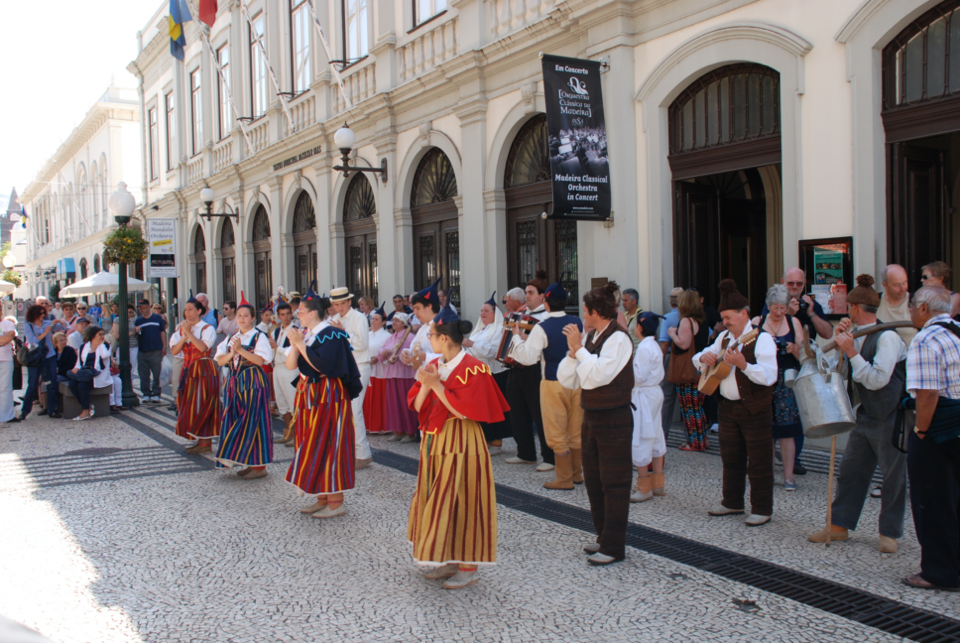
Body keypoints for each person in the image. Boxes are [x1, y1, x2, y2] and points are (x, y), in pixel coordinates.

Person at [407, 305, 509, 589]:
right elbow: (416, 405)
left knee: (465, 497)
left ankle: (469, 567)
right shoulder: (434, 365)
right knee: (440, 499)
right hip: (435, 440)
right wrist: (427, 383)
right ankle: (448, 558)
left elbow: (467, 412)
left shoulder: (474, 368)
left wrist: (436, 386)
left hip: (462, 441)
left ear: (444, 338)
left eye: (431, 334)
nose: (428, 339)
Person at [807, 275, 907, 553]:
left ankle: (889, 532)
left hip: (891, 415)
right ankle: (838, 525)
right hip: (863, 415)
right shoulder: (853, 335)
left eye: (848, 306)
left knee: (893, 477)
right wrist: (842, 347)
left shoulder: (888, 337)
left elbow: (877, 379)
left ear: (854, 306)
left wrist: (851, 352)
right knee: (851, 471)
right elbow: (832, 368)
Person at [558, 281, 635, 565]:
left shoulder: (619, 339)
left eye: (585, 311)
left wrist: (579, 350)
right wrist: (573, 352)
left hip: (614, 417)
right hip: (591, 416)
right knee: (594, 480)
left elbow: (599, 375)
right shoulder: (592, 338)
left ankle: (614, 546)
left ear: (595, 313)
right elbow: (569, 379)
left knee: (615, 483)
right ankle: (603, 536)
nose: (582, 316)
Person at [694, 280, 778, 527]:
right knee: (731, 458)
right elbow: (696, 359)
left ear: (744, 314)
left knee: (759, 460)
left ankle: (762, 508)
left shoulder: (761, 339)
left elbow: (770, 376)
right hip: (727, 407)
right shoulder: (722, 338)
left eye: (729, 317)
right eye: (723, 317)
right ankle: (732, 502)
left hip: (754, 408)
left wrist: (744, 365)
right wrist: (704, 358)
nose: (725, 322)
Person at [901, 286, 960, 591]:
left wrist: (921, 432)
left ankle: (940, 571)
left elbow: (927, 394)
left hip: (940, 429)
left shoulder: (925, 339)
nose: (910, 311)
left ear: (923, 308)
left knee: (933, 500)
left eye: (912, 305)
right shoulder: (957, 331)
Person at [284, 289, 362, 519]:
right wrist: (295, 343)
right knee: (311, 442)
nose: (297, 315)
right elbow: (291, 366)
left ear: (313, 313)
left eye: (300, 311)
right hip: (309, 394)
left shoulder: (332, 335)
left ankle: (337, 502)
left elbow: (323, 366)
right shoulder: (305, 335)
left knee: (330, 443)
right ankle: (322, 496)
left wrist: (300, 345)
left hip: (329, 395)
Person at [510, 280, 585, 490]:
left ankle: (563, 478)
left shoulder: (542, 327)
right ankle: (577, 473)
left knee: (556, 431)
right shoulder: (577, 322)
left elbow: (528, 358)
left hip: (553, 383)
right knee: (575, 429)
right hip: (577, 382)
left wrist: (516, 338)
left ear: (547, 303)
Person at [214, 294, 273, 480]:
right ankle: (247, 460)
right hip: (234, 384)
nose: (241, 318)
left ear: (252, 318)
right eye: (239, 315)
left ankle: (259, 465)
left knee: (254, 422)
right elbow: (219, 360)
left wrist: (240, 351)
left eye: (245, 315)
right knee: (234, 420)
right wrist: (232, 353)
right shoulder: (231, 337)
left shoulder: (259, 336)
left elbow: (262, 360)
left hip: (253, 384)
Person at [752, 285, 804, 491]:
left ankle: (789, 477)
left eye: (783, 308)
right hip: (764, 381)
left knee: (787, 431)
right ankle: (769, 474)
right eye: (775, 308)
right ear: (768, 306)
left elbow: (805, 356)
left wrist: (793, 349)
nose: (780, 312)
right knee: (766, 431)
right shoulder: (757, 322)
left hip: (786, 381)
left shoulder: (794, 322)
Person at [505, 270, 555, 471]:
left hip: (535, 369)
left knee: (539, 413)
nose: (527, 295)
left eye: (531, 292)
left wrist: (526, 338)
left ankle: (549, 457)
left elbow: (547, 342)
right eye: (526, 292)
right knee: (517, 412)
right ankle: (525, 452)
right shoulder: (520, 315)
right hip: (515, 367)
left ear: (542, 296)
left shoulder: (547, 316)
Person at [170, 295, 221, 454]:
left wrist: (189, 334)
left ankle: (205, 442)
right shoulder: (181, 329)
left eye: (190, 309)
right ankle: (200, 440)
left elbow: (202, 348)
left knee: (203, 404)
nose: (187, 313)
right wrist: (184, 335)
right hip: (188, 369)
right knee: (188, 404)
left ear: (199, 311)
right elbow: (174, 351)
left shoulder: (207, 328)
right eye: (185, 310)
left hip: (203, 370)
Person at [330, 285, 374, 470]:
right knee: (345, 412)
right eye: (336, 304)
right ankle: (350, 451)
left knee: (355, 411)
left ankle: (363, 454)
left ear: (349, 302)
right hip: (343, 368)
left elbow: (362, 344)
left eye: (343, 303)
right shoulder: (333, 319)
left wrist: (342, 333)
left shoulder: (359, 317)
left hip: (359, 366)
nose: (340, 307)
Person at [464, 292, 512, 455]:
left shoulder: (500, 329)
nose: (482, 314)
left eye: (486, 311)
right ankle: (486, 440)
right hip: (478, 375)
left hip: (494, 374)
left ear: (495, 313)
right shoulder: (479, 330)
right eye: (481, 311)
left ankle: (497, 443)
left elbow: (493, 351)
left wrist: (472, 344)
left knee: (494, 409)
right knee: (482, 409)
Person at [630, 312, 666, 502]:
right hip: (653, 393)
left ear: (640, 327)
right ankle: (658, 483)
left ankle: (644, 486)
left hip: (644, 394)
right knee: (655, 433)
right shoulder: (653, 345)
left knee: (642, 435)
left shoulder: (645, 347)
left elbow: (639, 376)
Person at [668, 290, 710, 451]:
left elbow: (683, 344)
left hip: (689, 370)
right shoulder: (702, 321)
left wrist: (672, 333)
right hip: (701, 368)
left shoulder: (686, 321)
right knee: (697, 406)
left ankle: (696, 442)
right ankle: (702, 439)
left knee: (689, 407)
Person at [378, 312, 419, 441]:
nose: (394, 322)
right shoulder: (391, 338)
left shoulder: (410, 337)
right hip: (391, 374)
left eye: (397, 320)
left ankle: (411, 432)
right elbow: (382, 350)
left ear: (404, 323)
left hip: (405, 374)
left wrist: (401, 358)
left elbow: (413, 354)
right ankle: (398, 430)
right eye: (393, 320)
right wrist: (383, 353)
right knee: (394, 403)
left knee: (404, 403)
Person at [21, 304, 62, 420]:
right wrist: (45, 332)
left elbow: (63, 327)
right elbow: (33, 341)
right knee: (33, 384)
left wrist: (61, 322)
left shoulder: (47, 323)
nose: (42, 315)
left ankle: (52, 409)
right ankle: (25, 411)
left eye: (43, 313)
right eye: (40, 313)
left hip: (49, 356)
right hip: (35, 358)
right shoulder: (29, 326)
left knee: (51, 382)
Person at [270, 302, 300, 446]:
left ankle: (298, 435)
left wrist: (277, 348)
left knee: (293, 401)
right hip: (277, 367)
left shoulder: (294, 330)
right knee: (281, 401)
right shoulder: (276, 331)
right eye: (282, 314)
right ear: (279, 316)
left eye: (288, 313)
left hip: (290, 368)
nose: (286, 317)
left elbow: (292, 350)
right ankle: (288, 433)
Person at [67, 325, 112, 421]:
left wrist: (101, 344)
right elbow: (79, 363)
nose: (102, 336)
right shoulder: (84, 347)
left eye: (102, 334)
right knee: (72, 384)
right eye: (99, 334)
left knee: (82, 386)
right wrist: (76, 369)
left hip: (97, 374)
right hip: (85, 372)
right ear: (93, 335)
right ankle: (88, 406)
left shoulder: (106, 346)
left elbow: (105, 356)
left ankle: (85, 411)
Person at [659, 286, 684, 440]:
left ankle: (663, 433)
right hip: (690, 359)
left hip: (671, 357)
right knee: (689, 397)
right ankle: (693, 436)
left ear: (671, 302)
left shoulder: (668, 318)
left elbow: (664, 344)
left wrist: (660, 365)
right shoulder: (695, 317)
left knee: (667, 396)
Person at [363, 304, 391, 435]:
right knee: (367, 399)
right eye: (372, 318)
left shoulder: (386, 336)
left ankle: (380, 426)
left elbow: (389, 354)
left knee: (378, 400)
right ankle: (368, 425)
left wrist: (379, 359)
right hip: (367, 370)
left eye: (376, 319)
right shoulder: (368, 334)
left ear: (384, 322)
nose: (373, 321)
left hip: (380, 372)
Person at [135, 299, 167, 404]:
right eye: (140, 308)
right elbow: (136, 336)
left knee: (157, 373)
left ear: (149, 307)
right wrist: (136, 331)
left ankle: (156, 393)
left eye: (143, 307)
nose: (142, 309)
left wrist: (164, 346)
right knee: (143, 374)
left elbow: (162, 332)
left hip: (156, 349)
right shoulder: (138, 321)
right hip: (143, 349)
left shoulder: (157, 318)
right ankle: (146, 394)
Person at [878, 264, 917, 347]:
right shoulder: (875, 302)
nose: (903, 289)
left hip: (910, 357)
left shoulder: (916, 302)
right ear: (885, 285)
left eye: (905, 283)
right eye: (897, 285)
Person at [112, 305, 139, 372]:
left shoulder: (133, 320)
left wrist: (137, 332)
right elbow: (116, 335)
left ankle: (130, 381)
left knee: (132, 367)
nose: (130, 314)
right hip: (122, 346)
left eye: (132, 312)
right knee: (121, 366)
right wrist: (131, 333)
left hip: (134, 346)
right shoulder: (118, 320)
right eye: (129, 312)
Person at [0, 314, 17, 423]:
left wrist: (6, 338)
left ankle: (6, 416)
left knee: (6, 388)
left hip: (6, 359)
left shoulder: (8, 324)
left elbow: (8, 337)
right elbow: (4, 339)